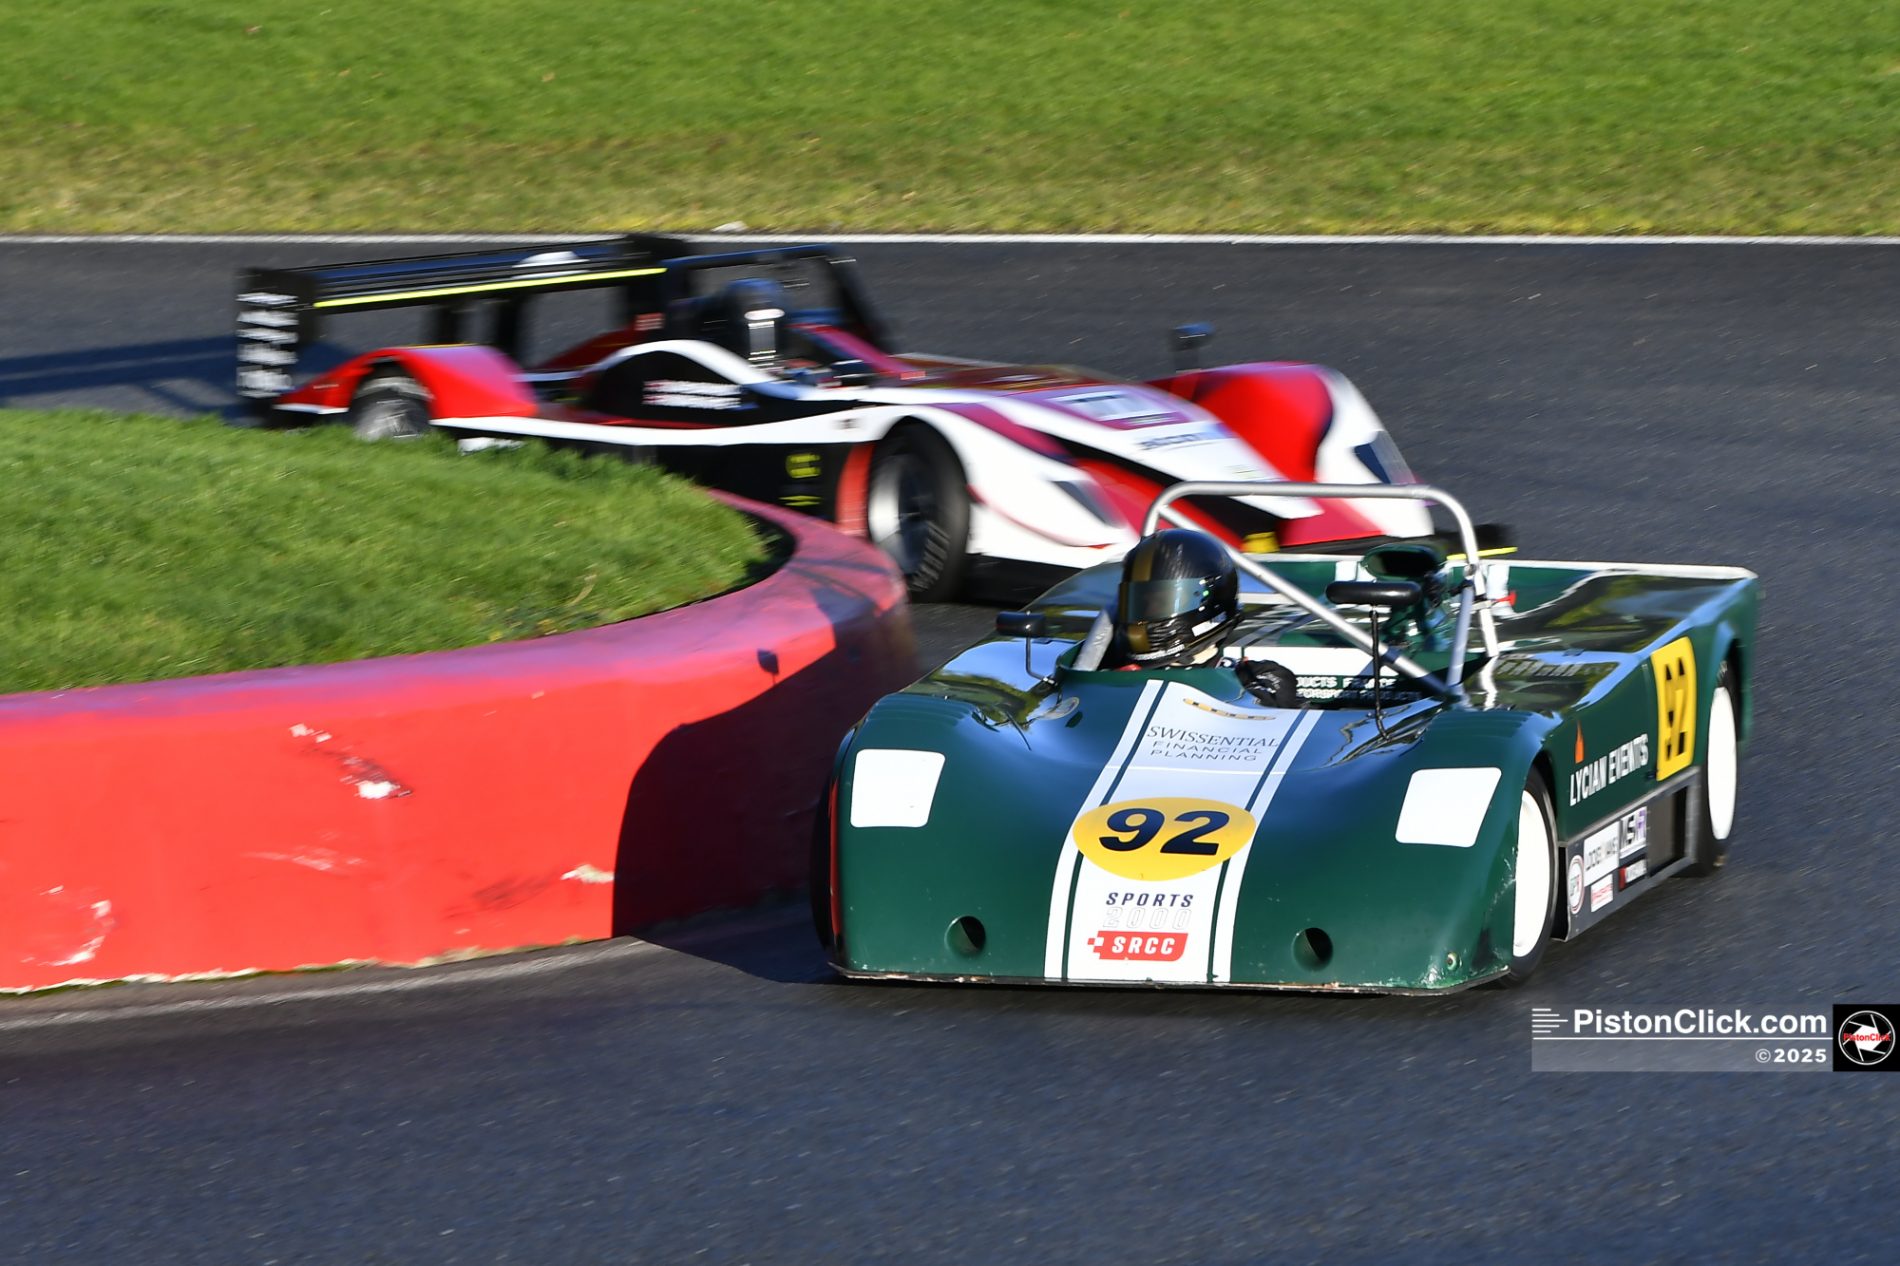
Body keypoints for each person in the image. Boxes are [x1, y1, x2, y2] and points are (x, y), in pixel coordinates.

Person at [1110, 529, 1303, 706]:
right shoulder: (1110, 668)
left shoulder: (1256, 678)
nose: (1146, 613)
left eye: (1160, 602)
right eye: (1140, 602)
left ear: (1207, 601)